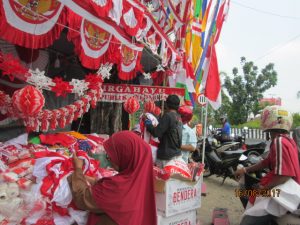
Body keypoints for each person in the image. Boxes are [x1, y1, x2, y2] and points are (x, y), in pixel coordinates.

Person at [68, 131, 157, 225]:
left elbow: (83, 198)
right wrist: (90, 180)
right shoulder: (141, 179)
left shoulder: (119, 188)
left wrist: (77, 169)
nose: (109, 159)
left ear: (125, 156)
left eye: (110, 155)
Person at [234, 105, 300, 225]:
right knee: (249, 194)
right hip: (283, 188)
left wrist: (265, 188)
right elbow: (267, 161)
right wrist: (245, 169)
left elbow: (284, 175)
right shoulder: (288, 141)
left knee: (247, 220)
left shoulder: (279, 141)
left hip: (281, 191)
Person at [145, 94, 183, 168]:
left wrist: (148, 124)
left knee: (162, 178)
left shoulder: (168, 116)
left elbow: (156, 133)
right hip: (176, 154)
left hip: (166, 156)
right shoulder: (179, 117)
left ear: (167, 104)